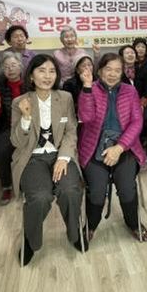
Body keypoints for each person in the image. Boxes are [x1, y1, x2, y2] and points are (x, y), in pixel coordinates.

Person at [10, 55, 87, 265]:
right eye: (41, 71)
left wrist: (63, 158)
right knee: (40, 197)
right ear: (31, 76)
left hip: (60, 154)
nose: (47, 76)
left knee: (70, 191)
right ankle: (31, 239)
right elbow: (16, 141)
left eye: (52, 71)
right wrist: (26, 117)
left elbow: (71, 131)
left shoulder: (65, 98)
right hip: (32, 158)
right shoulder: (20, 102)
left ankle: (74, 233)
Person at [77, 53, 147, 242]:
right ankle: (91, 226)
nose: (113, 74)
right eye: (108, 69)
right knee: (97, 190)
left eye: (117, 70)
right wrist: (86, 88)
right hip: (94, 147)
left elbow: (137, 122)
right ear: (100, 70)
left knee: (126, 188)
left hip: (125, 146)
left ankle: (133, 223)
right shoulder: (90, 89)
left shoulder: (129, 91)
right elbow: (85, 117)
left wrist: (119, 148)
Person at [0, 52, 25, 205]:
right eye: (6, 67)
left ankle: (27, 183)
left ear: (20, 67)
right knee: (2, 151)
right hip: (8, 127)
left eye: (13, 65)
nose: (10, 69)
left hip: (30, 127)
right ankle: (6, 186)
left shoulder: (30, 86)